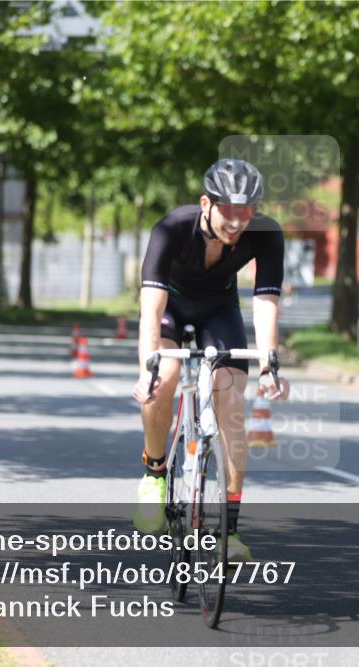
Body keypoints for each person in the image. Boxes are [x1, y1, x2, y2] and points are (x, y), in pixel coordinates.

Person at [131, 159, 290, 561]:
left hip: (219, 309)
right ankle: (154, 475)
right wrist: (146, 368)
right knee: (164, 377)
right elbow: (150, 309)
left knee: (231, 401)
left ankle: (228, 532)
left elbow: (266, 300)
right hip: (171, 307)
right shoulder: (172, 228)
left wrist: (270, 364)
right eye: (229, 210)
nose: (238, 221)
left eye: (247, 211)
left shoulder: (266, 234)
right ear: (206, 203)